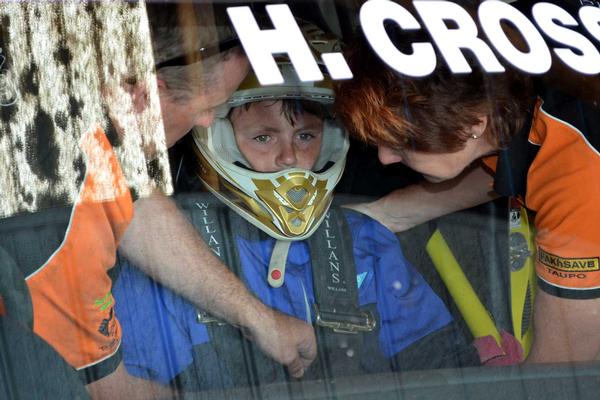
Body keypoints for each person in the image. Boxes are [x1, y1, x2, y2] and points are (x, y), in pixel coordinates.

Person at [0, 3, 316, 398]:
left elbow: (135, 199)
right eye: (208, 108)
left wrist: (257, 318)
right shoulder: (55, 198)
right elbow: (104, 390)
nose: (208, 123)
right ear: (143, 93)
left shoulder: (55, 79)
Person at [113, 61, 479, 392]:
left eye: (306, 136)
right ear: (222, 142)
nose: (289, 157)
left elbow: (443, 376)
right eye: (263, 137)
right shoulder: (167, 258)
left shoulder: (364, 243)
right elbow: (122, 390)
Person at [334, 8, 600, 363]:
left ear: (471, 125)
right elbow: (505, 172)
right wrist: (373, 217)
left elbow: (561, 368)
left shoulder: (578, 179)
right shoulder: (510, 104)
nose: (385, 158)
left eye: (401, 144)